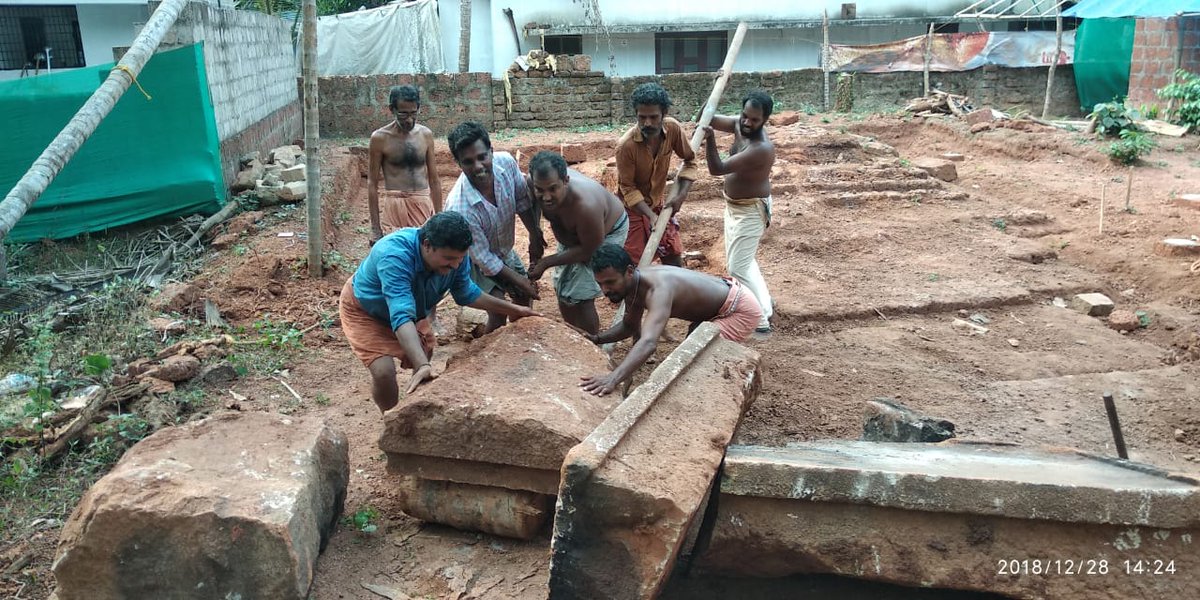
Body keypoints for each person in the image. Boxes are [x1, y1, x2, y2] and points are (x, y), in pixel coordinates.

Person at [339, 212, 538, 413]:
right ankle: (390, 417)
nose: (455, 265)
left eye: (460, 259)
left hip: (413, 309)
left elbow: (467, 294)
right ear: (427, 244)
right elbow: (401, 314)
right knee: (383, 372)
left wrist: (516, 309)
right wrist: (422, 365)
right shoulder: (393, 255)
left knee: (425, 352)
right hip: (366, 312)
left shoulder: (457, 257)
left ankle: (413, 408)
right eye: (449, 258)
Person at [578, 244, 762, 396]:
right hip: (719, 306)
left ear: (629, 272)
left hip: (737, 310)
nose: (605, 290)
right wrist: (598, 339)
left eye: (610, 282)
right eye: (600, 283)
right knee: (693, 351)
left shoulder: (658, 289)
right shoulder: (632, 285)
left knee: (694, 363)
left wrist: (613, 378)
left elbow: (649, 343)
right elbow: (629, 326)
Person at [444, 121, 544, 334]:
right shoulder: (460, 207)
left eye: (482, 157)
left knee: (523, 297)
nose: (478, 166)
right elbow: (483, 259)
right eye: (468, 162)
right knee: (498, 310)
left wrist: (534, 236)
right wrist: (520, 280)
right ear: (458, 163)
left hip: (502, 248)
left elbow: (522, 201)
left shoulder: (506, 163)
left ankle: (517, 341)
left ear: (491, 150)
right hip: (472, 260)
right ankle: (490, 349)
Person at [527, 151, 629, 334]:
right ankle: (575, 336)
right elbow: (532, 205)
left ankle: (591, 341)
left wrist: (546, 262)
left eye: (552, 189)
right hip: (574, 235)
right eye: (540, 190)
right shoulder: (533, 183)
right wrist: (535, 233)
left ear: (565, 181)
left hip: (604, 233)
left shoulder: (585, 206)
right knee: (564, 290)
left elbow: (590, 251)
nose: (546, 197)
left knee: (581, 294)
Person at [701, 90, 776, 334]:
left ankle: (759, 319)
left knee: (738, 267)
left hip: (751, 210)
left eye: (754, 119)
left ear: (765, 120)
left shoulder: (761, 148)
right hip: (734, 207)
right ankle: (764, 304)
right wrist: (715, 91)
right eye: (745, 115)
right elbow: (705, 116)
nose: (747, 122)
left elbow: (717, 168)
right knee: (745, 262)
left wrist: (710, 139)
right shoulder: (738, 124)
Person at [615, 82, 699, 267]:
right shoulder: (626, 146)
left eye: (653, 117)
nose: (647, 123)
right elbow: (628, 188)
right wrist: (651, 217)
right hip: (631, 211)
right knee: (634, 265)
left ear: (664, 114)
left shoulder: (673, 129)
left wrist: (680, 196)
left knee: (673, 257)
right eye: (642, 117)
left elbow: (690, 161)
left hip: (659, 205)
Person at [367, 85, 443, 243]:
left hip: (422, 205)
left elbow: (434, 180)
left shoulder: (425, 135)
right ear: (392, 109)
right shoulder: (380, 138)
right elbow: (372, 183)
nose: (409, 120)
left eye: (413, 113)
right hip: (395, 207)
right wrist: (375, 228)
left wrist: (439, 217)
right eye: (403, 114)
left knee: (426, 249)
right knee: (396, 250)